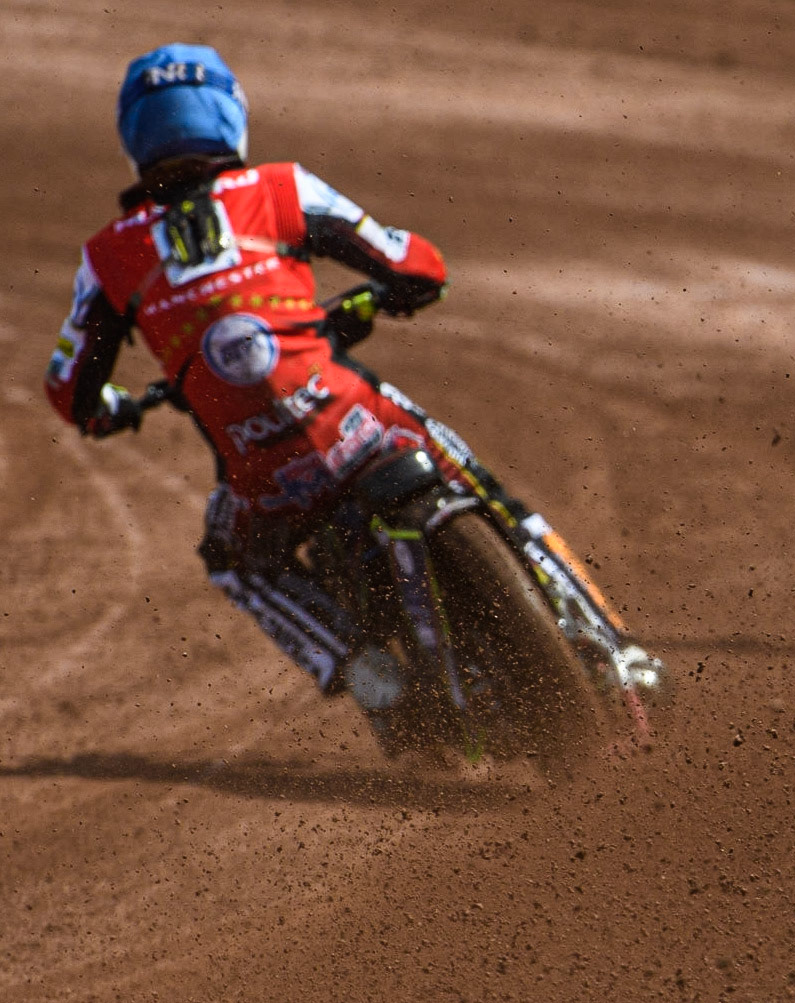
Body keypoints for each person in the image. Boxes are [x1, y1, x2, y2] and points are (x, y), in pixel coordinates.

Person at [44, 44, 660, 724]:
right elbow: (416, 265)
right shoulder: (282, 188)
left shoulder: (106, 258)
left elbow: (68, 389)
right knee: (477, 480)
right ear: (231, 116)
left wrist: (109, 410)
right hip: (358, 423)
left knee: (232, 557)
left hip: (265, 480)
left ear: (134, 139)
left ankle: (372, 676)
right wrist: (392, 294)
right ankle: (613, 646)